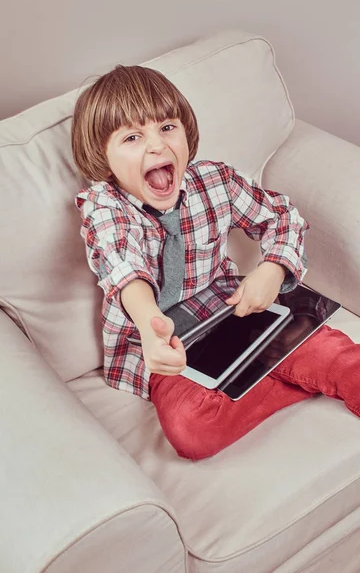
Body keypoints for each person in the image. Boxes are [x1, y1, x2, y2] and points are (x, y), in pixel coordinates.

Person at [72, 65, 360, 460]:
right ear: (102, 158)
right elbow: (123, 269)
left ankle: (291, 363)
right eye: (133, 137)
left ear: (186, 134)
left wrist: (271, 270)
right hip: (168, 344)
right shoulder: (104, 207)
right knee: (193, 431)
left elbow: (281, 216)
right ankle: (288, 372)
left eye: (167, 128)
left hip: (232, 311)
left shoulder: (215, 180)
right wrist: (152, 329)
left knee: (342, 361)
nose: (156, 146)